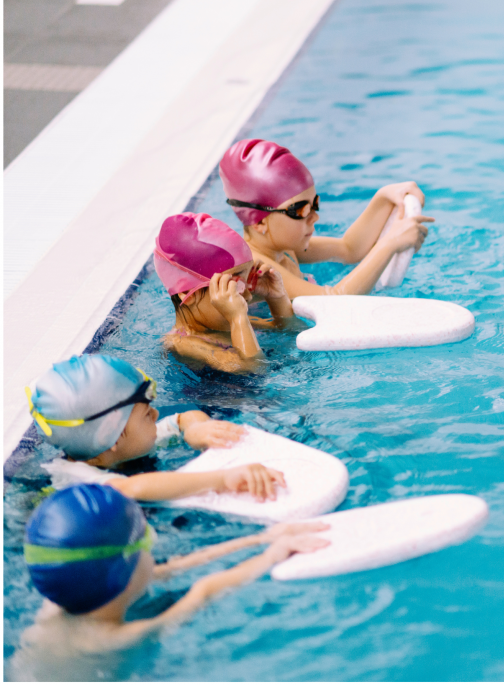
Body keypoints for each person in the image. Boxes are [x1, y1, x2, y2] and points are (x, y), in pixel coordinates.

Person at [12, 485, 327, 680]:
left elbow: (174, 568)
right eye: (146, 539)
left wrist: (261, 538)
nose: (154, 550)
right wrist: (271, 556)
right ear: (123, 568)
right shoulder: (118, 638)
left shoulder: (56, 601)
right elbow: (203, 592)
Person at [25, 354, 284, 502]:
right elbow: (133, 488)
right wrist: (222, 478)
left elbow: (185, 417)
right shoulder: (76, 479)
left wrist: (194, 429)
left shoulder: (115, 444)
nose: (158, 415)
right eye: (148, 414)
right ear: (111, 437)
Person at [219, 138, 434, 298]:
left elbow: (350, 249)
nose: (314, 218)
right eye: (300, 210)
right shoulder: (256, 266)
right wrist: (390, 244)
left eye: (315, 204)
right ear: (259, 222)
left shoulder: (284, 247)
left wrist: (383, 197)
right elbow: (334, 301)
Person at [157, 212, 294, 373]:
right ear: (189, 293)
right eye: (234, 285)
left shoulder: (226, 322)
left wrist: (277, 297)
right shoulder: (182, 342)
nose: (249, 296)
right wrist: (237, 318)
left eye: (248, 279)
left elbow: (291, 332)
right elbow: (253, 370)